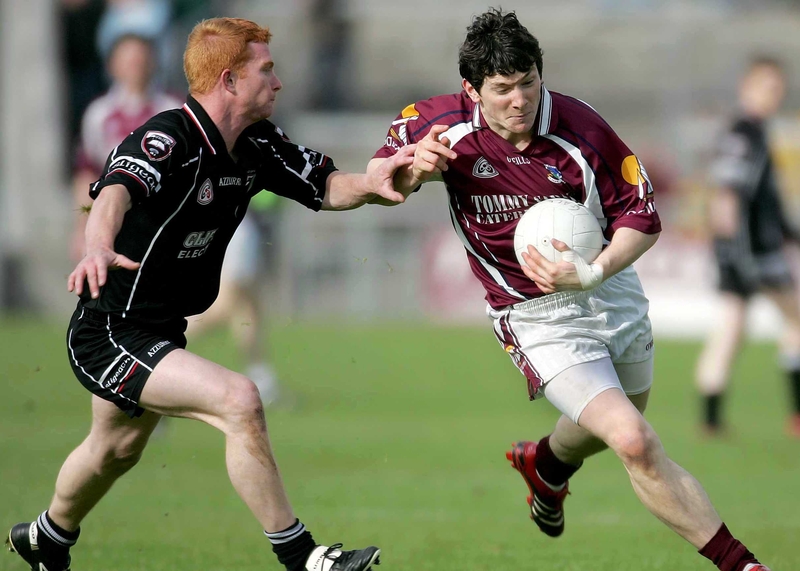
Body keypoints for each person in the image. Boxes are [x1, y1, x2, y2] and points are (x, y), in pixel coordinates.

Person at [368, 9, 771, 571]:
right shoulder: (434, 122)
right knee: (633, 439)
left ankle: (548, 466)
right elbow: (379, 179)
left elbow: (642, 216)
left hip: (608, 290)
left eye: (528, 82)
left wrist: (592, 272)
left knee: (612, 424)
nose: (519, 100)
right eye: (502, 89)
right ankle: (743, 565)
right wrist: (412, 167)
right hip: (533, 315)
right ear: (472, 89)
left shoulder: (582, 128)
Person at [5, 17, 414, 571]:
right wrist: (97, 247)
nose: (277, 82)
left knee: (114, 450)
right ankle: (304, 557)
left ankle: (47, 539)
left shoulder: (257, 143)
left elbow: (325, 185)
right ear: (229, 80)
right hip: (109, 328)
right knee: (239, 400)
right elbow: (115, 194)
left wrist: (373, 181)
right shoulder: (169, 136)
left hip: (160, 326)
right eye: (265, 69)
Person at [695, 56, 800, 438]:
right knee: (795, 323)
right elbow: (727, 197)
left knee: (731, 330)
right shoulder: (745, 132)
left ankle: (710, 420)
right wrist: (736, 254)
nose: (775, 95)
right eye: (768, 87)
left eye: (778, 88)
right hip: (753, 252)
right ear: (747, 87)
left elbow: (762, 199)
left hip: (745, 249)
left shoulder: (751, 131)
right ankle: (796, 415)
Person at [71, 33, 182, 262]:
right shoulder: (98, 113)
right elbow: (87, 172)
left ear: (153, 62)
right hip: (115, 216)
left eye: (141, 59)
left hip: (165, 218)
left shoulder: (172, 108)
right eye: (129, 61)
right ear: (113, 66)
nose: (136, 67)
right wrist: (83, 226)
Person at [186, 201, 283, 404]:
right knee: (226, 306)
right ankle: (163, 342)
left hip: (245, 224)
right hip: (235, 225)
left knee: (248, 308)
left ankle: (261, 376)